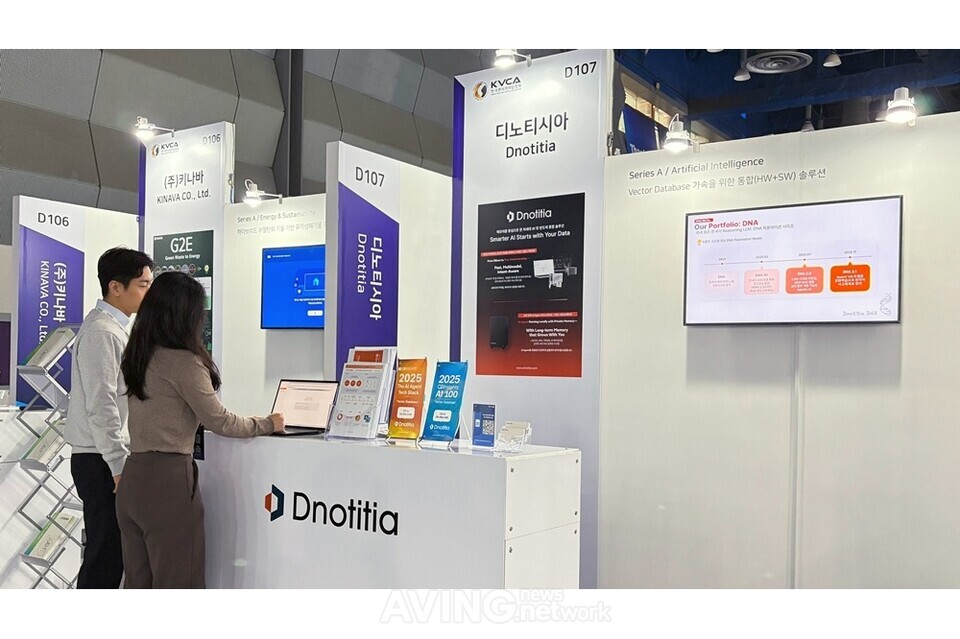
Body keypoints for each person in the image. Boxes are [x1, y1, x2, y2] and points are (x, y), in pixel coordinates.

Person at [116, 271, 284, 588]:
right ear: (186, 315)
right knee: (180, 582)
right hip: (167, 483)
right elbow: (220, 420)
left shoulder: (137, 356)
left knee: (139, 584)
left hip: (133, 478)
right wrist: (268, 423)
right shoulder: (183, 362)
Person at [64, 247, 154, 589]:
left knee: (110, 554)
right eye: (143, 285)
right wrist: (117, 465)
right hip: (100, 460)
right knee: (105, 555)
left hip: (103, 456)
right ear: (115, 287)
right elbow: (101, 405)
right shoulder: (102, 332)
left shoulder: (114, 329)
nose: (149, 292)